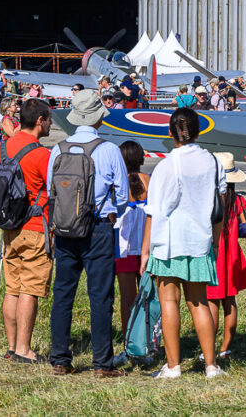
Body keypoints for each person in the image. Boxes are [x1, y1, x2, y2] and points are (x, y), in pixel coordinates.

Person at [46, 90, 130, 378]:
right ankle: (102, 363)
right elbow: (123, 194)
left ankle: (60, 358)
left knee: (63, 294)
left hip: (65, 228)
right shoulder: (108, 150)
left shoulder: (57, 150)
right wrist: (111, 211)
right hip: (97, 228)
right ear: (97, 118)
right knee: (100, 296)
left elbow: (50, 191)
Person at [140, 108, 226, 379]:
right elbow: (219, 207)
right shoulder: (213, 162)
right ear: (199, 130)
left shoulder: (166, 165)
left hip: (168, 242)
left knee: (169, 302)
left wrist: (145, 251)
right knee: (198, 302)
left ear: (170, 132)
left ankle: (174, 365)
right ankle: (211, 366)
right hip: (200, 239)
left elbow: (153, 212)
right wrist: (214, 241)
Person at [0, 98, 54, 363]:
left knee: (12, 289)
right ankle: (24, 349)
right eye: (49, 119)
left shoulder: (4, 147)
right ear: (40, 121)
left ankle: (11, 346)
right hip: (36, 227)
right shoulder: (43, 154)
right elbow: (53, 191)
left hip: (10, 228)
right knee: (30, 288)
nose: (51, 123)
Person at [206, 153, 246, 361]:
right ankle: (226, 347)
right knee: (230, 301)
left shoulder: (210, 199)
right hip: (233, 253)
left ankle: (209, 348)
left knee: (211, 302)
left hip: (214, 252)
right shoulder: (238, 200)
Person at [114, 140, 150, 362]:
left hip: (124, 247)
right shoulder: (149, 181)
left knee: (127, 299)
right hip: (146, 246)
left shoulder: (119, 183)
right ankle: (145, 345)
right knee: (146, 297)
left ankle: (128, 346)